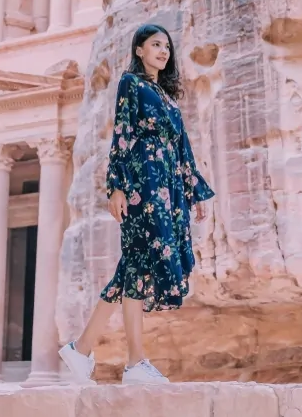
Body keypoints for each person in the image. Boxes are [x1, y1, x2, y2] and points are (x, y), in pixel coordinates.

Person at [58, 23, 217, 385]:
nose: (163, 51)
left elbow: (182, 150)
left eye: (167, 46)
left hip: (168, 188)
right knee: (136, 266)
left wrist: (195, 192)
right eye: (155, 44)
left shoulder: (169, 98)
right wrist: (116, 187)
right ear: (140, 50)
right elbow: (123, 134)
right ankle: (133, 362)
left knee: (132, 268)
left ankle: (82, 350)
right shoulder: (132, 85)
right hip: (142, 186)